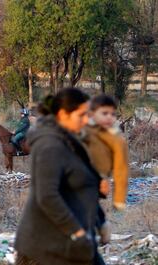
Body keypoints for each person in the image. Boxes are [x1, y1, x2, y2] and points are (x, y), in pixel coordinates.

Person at [15, 88, 105, 265]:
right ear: (64, 114)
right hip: (45, 246)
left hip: (71, 241)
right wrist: (77, 231)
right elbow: (47, 196)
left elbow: (80, 188)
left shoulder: (72, 142)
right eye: (82, 115)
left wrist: (101, 221)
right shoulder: (50, 145)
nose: (87, 120)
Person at [82, 95, 129, 244]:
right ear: (92, 113)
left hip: (95, 183)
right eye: (104, 113)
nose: (109, 117)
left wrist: (119, 202)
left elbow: (121, 170)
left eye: (113, 114)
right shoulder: (82, 130)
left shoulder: (117, 138)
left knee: (88, 216)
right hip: (75, 179)